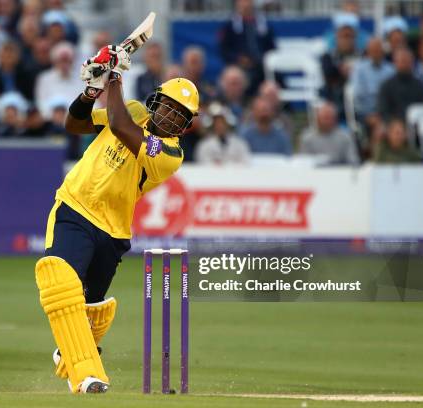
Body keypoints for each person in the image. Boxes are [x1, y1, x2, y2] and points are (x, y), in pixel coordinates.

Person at [35, 44, 199, 394]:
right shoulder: (135, 109)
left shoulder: (169, 153)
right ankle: (87, 376)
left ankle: (70, 351)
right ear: (156, 101)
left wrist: (115, 78)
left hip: (113, 229)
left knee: (92, 308)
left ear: (185, 127)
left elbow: (122, 127)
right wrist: (91, 90)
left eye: (180, 115)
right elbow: (74, 124)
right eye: (168, 107)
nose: (170, 117)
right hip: (76, 207)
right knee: (60, 278)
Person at [218, 0, 275, 96]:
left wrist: (265, 59)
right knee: (236, 76)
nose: (246, 5)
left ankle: (285, 108)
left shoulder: (263, 25)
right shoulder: (230, 26)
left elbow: (271, 47)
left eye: (248, 2)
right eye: (243, 2)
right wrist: (238, 58)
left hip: (261, 65)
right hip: (240, 66)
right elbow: (224, 50)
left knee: (275, 77)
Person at [351, 38, 395, 125]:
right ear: (368, 51)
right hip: (365, 112)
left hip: (387, 112)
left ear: (383, 51)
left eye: (378, 50)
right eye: (373, 50)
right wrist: (371, 114)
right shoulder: (359, 69)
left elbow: (394, 93)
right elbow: (358, 95)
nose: (376, 53)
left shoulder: (391, 69)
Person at [378, 47, 423, 122]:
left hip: (416, 123)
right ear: (395, 63)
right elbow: (384, 111)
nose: (405, 64)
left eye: (408, 61)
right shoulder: (386, 85)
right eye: (402, 61)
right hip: (394, 126)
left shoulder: (420, 85)